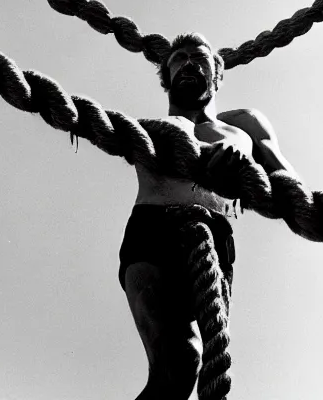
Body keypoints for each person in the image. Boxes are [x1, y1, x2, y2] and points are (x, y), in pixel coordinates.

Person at [121, 33, 297, 399]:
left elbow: (293, 188)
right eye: (178, 59)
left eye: (198, 57)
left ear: (217, 75)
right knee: (178, 364)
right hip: (153, 229)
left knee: (199, 358)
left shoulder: (241, 128)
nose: (187, 63)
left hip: (215, 240)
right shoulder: (152, 131)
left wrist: (243, 156)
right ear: (166, 79)